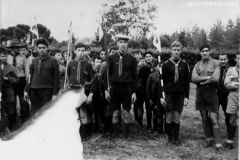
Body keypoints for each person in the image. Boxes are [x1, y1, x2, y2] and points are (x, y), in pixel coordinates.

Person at [105, 34, 137, 139]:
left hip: (127, 88)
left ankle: (125, 136)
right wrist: (106, 90)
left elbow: (134, 77)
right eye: (121, 42)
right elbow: (107, 76)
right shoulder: (111, 58)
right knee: (115, 113)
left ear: (128, 44)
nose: (123, 45)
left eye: (125, 42)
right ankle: (116, 135)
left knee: (126, 113)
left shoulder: (132, 59)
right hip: (114, 88)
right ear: (117, 43)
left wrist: (134, 92)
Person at [192, 44, 222, 151]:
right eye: (203, 51)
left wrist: (203, 82)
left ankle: (218, 143)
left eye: (207, 50)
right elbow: (193, 78)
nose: (205, 53)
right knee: (204, 118)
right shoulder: (197, 65)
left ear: (209, 51)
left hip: (212, 92)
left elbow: (215, 78)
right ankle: (208, 139)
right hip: (200, 93)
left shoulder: (216, 63)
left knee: (214, 119)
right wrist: (207, 77)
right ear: (200, 52)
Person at [161, 41, 190, 145]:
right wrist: (162, 96)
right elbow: (162, 82)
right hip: (168, 94)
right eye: (174, 50)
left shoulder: (185, 64)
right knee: (169, 115)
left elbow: (187, 82)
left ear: (181, 51)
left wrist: (186, 96)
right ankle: (168, 138)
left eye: (178, 50)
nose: (176, 52)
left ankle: (176, 138)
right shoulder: (165, 64)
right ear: (171, 51)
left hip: (180, 94)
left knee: (177, 116)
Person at [67, 42, 96, 141]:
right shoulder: (70, 64)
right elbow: (67, 79)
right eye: (78, 50)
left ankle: (84, 136)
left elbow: (92, 80)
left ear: (85, 52)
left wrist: (91, 94)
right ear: (75, 51)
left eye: (83, 51)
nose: (80, 53)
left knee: (83, 113)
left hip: (84, 92)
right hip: (72, 91)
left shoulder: (88, 64)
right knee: (73, 114)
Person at [25, 38, 60, 114]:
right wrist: (26, 90)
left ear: (47, 48)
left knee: (45, 113)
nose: (41, 50)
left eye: (43, 48)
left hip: (47, 91)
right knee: (35, 112)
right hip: (34, 90)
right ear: (37, 49)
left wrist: (54, 94)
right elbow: (30, 77)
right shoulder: (33, 60)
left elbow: (57, 79)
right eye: (39, 48)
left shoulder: (53, 61)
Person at [7, 40, 29, 123]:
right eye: (17, 47)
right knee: (12, 101)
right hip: (10, 81)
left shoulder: (22, 57)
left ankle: (24, 119)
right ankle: (13, 121)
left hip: (21, 80)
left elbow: (26, 69)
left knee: (22, 100)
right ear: (12, 48)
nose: (19, 49)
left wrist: (26, 80)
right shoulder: (7, 57)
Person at [223, 51, 239, 150]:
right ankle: (230, 142)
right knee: (231, 120)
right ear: (236, 59)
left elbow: (231, 84)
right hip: (233, 97)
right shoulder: (230, 70)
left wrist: (234, 84)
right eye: (239, 58)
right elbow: (227, 84)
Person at [0, 48, 19, 131]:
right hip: (0, 90)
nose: (4, 57)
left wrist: (8, 79)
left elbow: (17, 79)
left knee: (10, 107)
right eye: (2, 56)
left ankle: (11, 125)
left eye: (5, 56)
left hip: (8, 89)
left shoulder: (11, 67)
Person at [135, 51, 153, 130]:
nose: (148, 58)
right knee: (140, 106)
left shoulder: (153, 67)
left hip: (149, 91)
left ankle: (149, 125)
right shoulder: (142, 67)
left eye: (149, 56)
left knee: (149, 107)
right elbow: (138, 78)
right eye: (146, 56)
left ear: (152, 57)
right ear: (144, 58)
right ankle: (139, 123)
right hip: (141, 90)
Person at [146, 59, 165, 134]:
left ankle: (161, 129)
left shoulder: (164, 76)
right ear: (155, 67)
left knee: (161, 114)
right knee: (155, 113)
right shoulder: (152, 76)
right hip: (153, 97)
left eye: (161, 66)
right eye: (159, 66)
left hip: (161, 97)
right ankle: (155, 128)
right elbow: (148, 87)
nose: (160, 67)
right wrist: (149, 98)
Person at [217, 53, 230, 129]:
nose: (223, 61)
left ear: (227, 59)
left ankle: (229, 130)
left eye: (224, 59)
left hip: (227, 94)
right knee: (214, 113)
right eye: (221, 59)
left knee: (227, 113)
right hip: (217, 94)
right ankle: (213, 132)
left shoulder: (231, 70)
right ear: (218, 60)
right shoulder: (216, 69)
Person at [91, 56, 102, 132]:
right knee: (91, 110)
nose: (98, 63)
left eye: (100, 62)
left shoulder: (102, 70)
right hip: (93, 92)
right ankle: (91, 127)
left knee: (97, 111)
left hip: (100, 93)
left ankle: (97, 128)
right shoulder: (91, 70)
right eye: (97, 62)